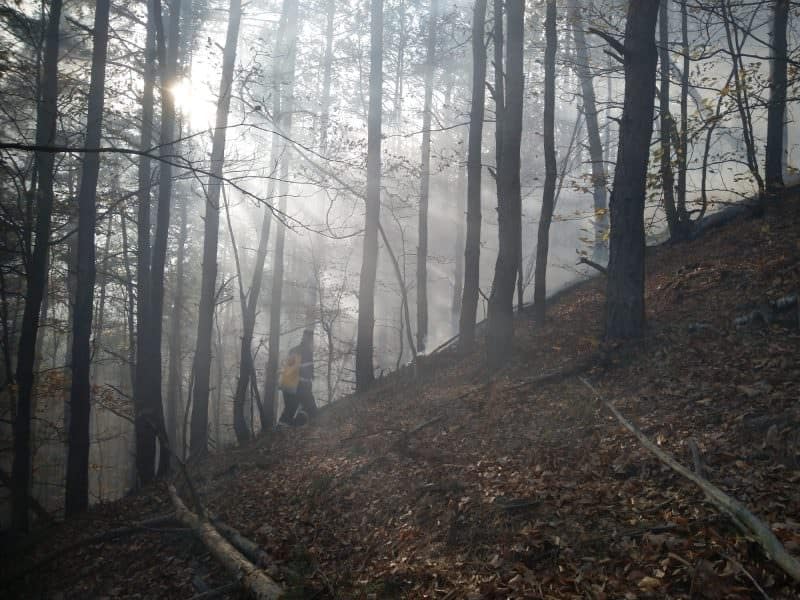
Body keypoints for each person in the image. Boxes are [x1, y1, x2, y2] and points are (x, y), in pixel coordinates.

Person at [278, 329, 317, 426]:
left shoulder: (293, 350)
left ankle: (282, 430)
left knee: (289, 410)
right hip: (299, 386)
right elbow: (306, 372)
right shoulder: (307, 352)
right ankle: (291, 428)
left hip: (287, 385)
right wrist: (310, 378)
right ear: (310, 339)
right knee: (310, 409)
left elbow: (290, 368)